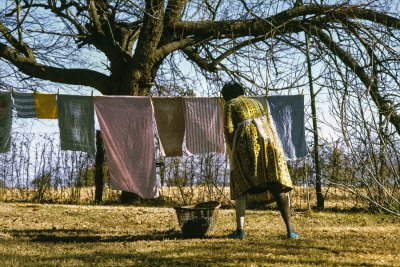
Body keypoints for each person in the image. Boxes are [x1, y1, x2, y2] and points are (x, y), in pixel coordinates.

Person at [221, 81, 298, 240]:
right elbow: (268, 122)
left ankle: (240, 231)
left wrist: (233, 149)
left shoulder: (230, 104)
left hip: (246, 144)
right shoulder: (256, 102)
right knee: (277, 186)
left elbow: (228, 129)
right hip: (270, 142)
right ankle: (290, 231)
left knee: (241, 185)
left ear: (227, 95)